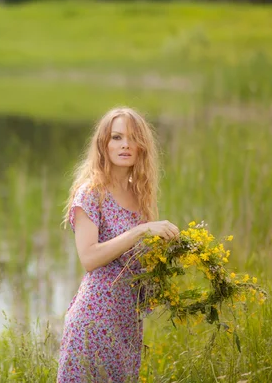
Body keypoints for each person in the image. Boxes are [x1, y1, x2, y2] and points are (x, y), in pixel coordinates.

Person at [57, 107, 179, 383]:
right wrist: (142, 230)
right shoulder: (91, 193)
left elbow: (140, 262)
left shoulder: (140, 195)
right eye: (116, 137)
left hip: (127, 324)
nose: (125, 144)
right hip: (94, 321)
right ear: (104, 145)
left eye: (132, 138)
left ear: (141, 147)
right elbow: (88, 257)